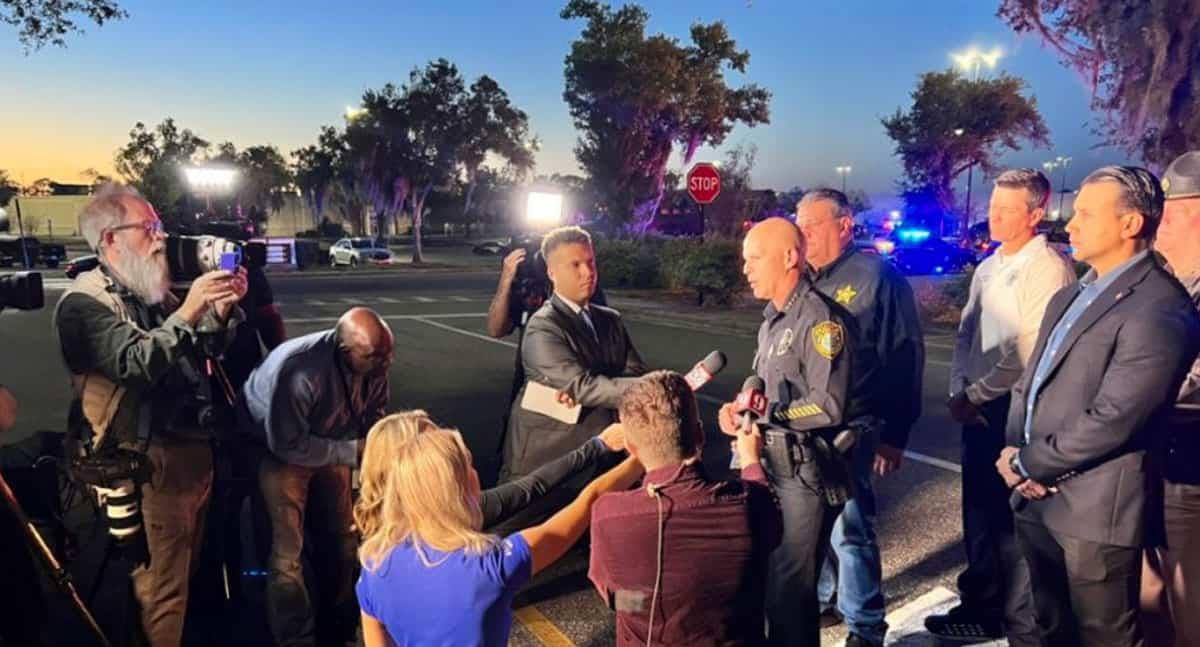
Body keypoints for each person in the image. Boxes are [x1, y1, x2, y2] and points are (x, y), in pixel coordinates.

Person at [996, 165, 1200, 646]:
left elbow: (1118, 416)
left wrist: (1030, 461)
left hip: (1096, 510)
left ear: (1130, 225)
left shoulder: (1159, 305)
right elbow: (1034, 383)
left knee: (1104, 635)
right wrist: (1017, 454)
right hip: (1038, 496)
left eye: (1086, 214)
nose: (1070, 224)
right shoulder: (1072, 294)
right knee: (1050, 626)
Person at [53, 183, 247, 647]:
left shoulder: (150, 290)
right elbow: (136, 363)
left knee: (190, 576)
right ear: (110, 239)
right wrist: (194, 306)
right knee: (161, 591)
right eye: (149, 227)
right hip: (147, 465)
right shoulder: (83, 304)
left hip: (191, 454)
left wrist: (218, 313)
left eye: (159, 226)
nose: (161, 238)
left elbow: (202, 351)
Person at [926, 169, 1076, 644]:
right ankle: (980, 600)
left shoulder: (1047, 268)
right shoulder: (990, 265)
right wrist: (959, 389)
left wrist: (975, 395)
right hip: (978, 408)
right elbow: (968, 332)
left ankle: (1013, 618)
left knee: (1011, 524)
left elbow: (1027, 351)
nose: (993, 216)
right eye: (992, 207)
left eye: (1006, 209)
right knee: (979, 514)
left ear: (1035, 214)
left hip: (1014, 412)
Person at [355, 427, 644, 647]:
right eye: (467, 464)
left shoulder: (374, 565)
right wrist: (640, 458)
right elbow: (586, 504)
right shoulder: (491, 566)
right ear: (458, 486)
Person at [721, 217, 857, 647]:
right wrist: (741, 405)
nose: (746, 268)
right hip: (770, 465)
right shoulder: (772, 320)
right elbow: (759, 380)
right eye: (745, 260)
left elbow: (828, 404)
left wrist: (769, 416)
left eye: (754, 258)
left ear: (790, 257)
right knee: (766, 582)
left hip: (804, 472)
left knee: (790, 593)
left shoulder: (820, 320)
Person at [797, 188, 924, 646]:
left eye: (812, 224)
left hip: (856, 425)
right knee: (816, 523)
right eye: (801, 224)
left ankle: (866, 627)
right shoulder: (805, 279)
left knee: (852, 530)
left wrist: (896, 434)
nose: (804, 233)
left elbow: (904, 354)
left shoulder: (877, 277)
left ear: (844, 225)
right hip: (809, 427)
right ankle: (828, 598)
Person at [589, 370, 782, 646]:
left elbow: (611, 595)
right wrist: (750, 459)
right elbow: (771, 522)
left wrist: (645, 602)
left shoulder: (607, 514)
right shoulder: (746, 506)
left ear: (630, 447)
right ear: (700, 435)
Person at [239, 307, 392, 646]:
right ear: (344, 352)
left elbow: (373, 415)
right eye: (374, 357)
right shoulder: (301, 371)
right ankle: (295, 636)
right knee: (287, 550)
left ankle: (338, 615)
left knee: (343, 536)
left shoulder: (375, 360)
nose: (384, 365)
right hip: (275, 445)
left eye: (387, 355)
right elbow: (288, 445)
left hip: (331, 438)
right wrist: (352, 451)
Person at [500, 225, 646, 484]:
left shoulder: (610, 319)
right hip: (545, 467)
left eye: (591, 262)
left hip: (604, 459)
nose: (588, 273)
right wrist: (655, 388)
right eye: (575, 265)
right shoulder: (542, 325)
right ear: (551, 272)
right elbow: (581, 386)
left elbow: (634, 372)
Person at [354, 409, 628, 533]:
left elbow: (531, 486)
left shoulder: (375, 559)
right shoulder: (488, 564)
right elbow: (555, 514)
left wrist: (597, 445)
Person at [1141, 150, 1200, 647]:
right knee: (1150, 590)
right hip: (1159, 459)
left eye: (1169, 209)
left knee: (1189, 596)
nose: (1157, 223)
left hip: (1191, 466)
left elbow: (1191, 382)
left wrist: (1129, 391)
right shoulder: (1175, 283)